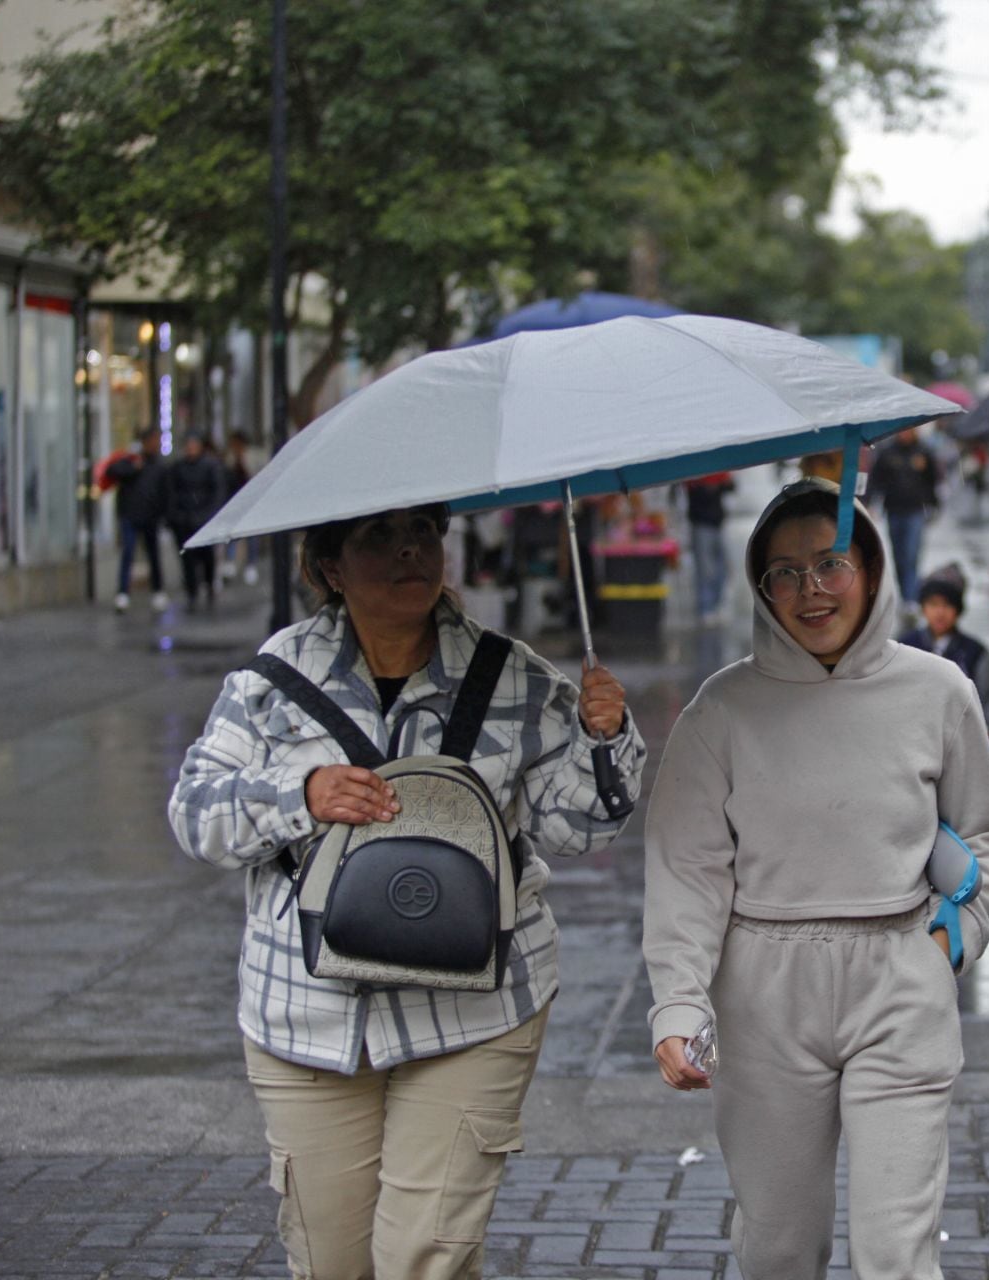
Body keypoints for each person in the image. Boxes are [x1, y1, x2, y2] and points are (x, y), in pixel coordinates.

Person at [168, 502, 642, 1280]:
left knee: (424, 1258)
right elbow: (193, 815)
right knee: (329, 1262)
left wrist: (605, 737)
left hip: (476, 1007)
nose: (409, 550)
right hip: (307, 1016)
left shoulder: (511, 675)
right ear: (328, 567)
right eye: (377, 538)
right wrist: (301, 794)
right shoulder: (271, 682)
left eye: (424, 531)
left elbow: (578, 828)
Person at [644, 479, 989, 1280]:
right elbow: (687, 870)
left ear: (873, 571)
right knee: (779, 1248)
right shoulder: (720, 711)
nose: (810, 591)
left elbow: (988, 832)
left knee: (896, 1255)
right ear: (760, 586)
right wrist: (679, 1001)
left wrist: (961, 934)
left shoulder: (939, 691)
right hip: (764, 994)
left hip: (901, 980)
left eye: (831, 564)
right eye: (785, 572)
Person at [897, 561, 989, 747]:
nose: (940, 612)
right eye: (933, 604)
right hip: (911, 740)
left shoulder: (975, 652)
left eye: (947, 605)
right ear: (923, 607)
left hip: (962, 742)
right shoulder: (905, 646)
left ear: (958, 610)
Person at [866, 427, 944, 605]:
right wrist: (870, 502)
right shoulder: (888, 452)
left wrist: (934, 504)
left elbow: (932, 480)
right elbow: (876, 480)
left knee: (911, 553)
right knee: (899, 555)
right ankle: (905, 593)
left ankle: (911, 596)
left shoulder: (923, 451)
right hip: (894, 510)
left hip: (915, 510)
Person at [104, 427, 169, 612]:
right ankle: (123, 592)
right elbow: (111, 471)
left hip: (151, 517)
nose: (156, 445)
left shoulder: (159, 466)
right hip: (130, 516)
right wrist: (133, 468)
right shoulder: (132, 460)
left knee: (153, 555)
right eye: (153, 440)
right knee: (128, 553)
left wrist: (164, 514)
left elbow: (165, 492)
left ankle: (158, 590)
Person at [163, 433, 228, 611]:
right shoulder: (178, 468)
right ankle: (192, 590)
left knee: (207, 557)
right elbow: (172, 493)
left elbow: (217, 492)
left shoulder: (210, 466)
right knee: (187, 559)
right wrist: (175, 516)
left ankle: (207, 584)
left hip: (203, 519)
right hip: (184, 520)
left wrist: (209, 514)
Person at [685, 472, 734, 626]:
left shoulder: (719, 473)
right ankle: (706, 608)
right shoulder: (692, 476)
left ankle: (716, 604)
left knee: (721, 568)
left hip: (717, 523)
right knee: (705, 569)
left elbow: (731, 486)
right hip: (701, 524)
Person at [219, 431, 259, 587]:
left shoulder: (251, 456)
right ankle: (229, 562)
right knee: (232, 533)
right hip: (234, 500)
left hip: (250, 500)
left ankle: (251, 564)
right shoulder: (230, 458)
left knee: (251, 535)